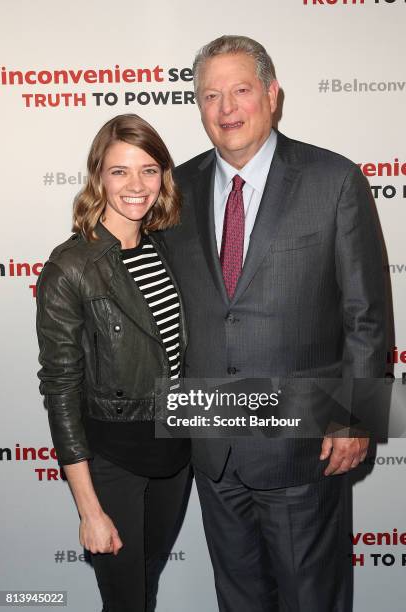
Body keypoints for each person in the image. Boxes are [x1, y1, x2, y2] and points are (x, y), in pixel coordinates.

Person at [163, 35, 387, 611]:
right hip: (213, 446)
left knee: (312, 599)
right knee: (238, 600)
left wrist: (354, 417)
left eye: (240, 90)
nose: (226, 108)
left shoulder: (333, 180)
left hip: (303, 445)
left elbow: (366, 312)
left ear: (272, 94)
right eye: (210, 95)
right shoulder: (175, 190)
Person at [36, 113, 191, 612]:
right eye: (120, 171)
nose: (137, 185)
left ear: (163, 176)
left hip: (175, 453)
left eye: (149, 170)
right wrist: (89, 508)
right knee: (124, 601)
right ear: (98, 175)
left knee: (145, 585)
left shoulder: (167, 247)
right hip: (114, 461)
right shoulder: (70, 267)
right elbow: (60, 389)